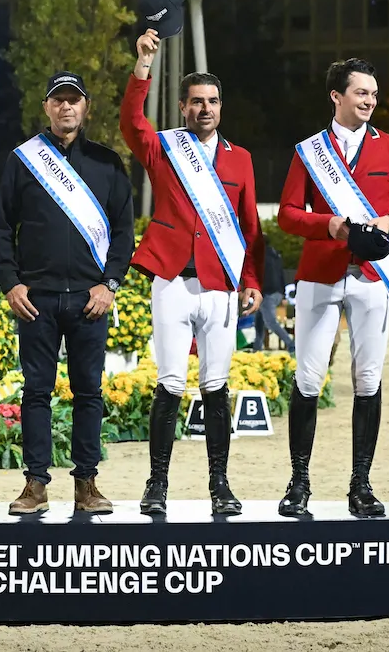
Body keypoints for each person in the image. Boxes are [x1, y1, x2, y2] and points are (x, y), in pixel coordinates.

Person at [122, 29, 265, 517]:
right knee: (168, 384)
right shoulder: (163, 149)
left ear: (221, 107)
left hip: (221, 288)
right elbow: (130, 123)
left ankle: (220, 486)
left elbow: (251, 228)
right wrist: (143, 65)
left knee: (216, 388)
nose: (205, 109)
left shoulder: (241, 160)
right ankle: (156, 484)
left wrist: (253, 282)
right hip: (172, 283)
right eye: (196, 102)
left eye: (213, 101)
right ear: (182, 107)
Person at [276, 57, 389, 518]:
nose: (370, 101)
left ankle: (360, 485)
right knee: (307, 379)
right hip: (320, 273)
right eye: (362, 93)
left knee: (368, 379)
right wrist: (330, 225)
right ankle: (299, 483)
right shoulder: (308, 151)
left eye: (374, 94)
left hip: (372, 277)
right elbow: (286, 214)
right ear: (337, 96)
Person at [0, 71, 135, 515]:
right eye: (58, 101)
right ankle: (35, 485)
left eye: (74, 101)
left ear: (85, 107)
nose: (66, 108)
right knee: (36, 392)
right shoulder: (23, 160)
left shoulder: (108, 163)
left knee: (88, 393)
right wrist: (11, 282)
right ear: (47, 108)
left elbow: (123, 232)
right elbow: (1, 228)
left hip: (90, 302)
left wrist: (109, 284)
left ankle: (86, 485)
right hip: (36, 299)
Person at [253, 243, 294, 354]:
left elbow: (262, 276)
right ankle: (257, 347)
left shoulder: (260, 256)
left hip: (267, 292)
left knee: (270, 322)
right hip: (277, 292)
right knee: (259, 320)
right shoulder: (275, 255)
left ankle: (291, 344)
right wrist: (284, 294)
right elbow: (281, 274)